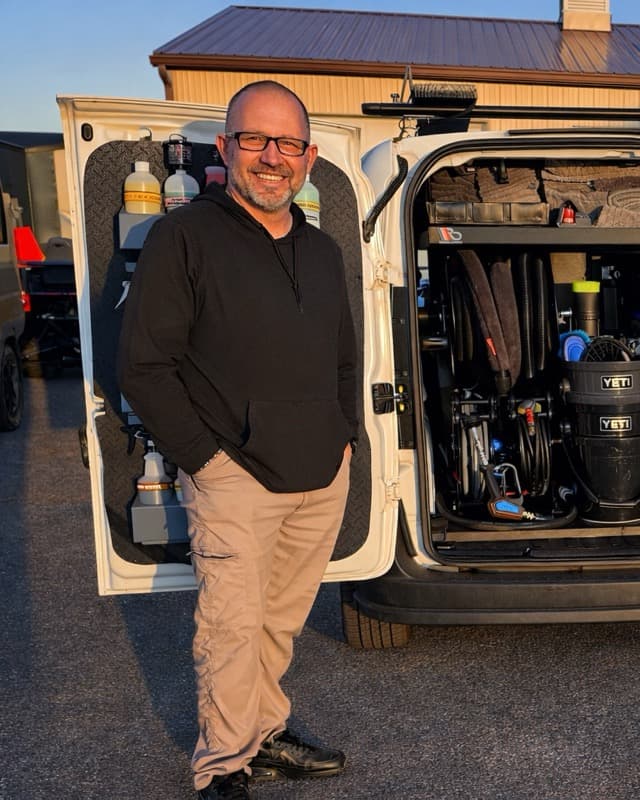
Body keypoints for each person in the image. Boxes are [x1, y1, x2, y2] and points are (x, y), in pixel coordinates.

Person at [118, 80, 358, 800]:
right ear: (225, 148)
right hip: (235, 476)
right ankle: (223, 763)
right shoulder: (183, 236)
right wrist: (209, 462)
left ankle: (265, 731)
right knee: (230, 625)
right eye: (254, 139)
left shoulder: (322, 251)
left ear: (308, 156)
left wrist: (344, 436)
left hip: (320, 471)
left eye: (287, 143)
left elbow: (346, 355)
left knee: (278, 623)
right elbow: (144, 365)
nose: (271, 157)